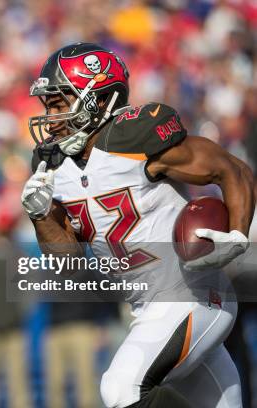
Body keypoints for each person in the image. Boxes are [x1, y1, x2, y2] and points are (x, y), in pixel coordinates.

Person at [20, 43, 254, 407]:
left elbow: (232, 169)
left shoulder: (133, 140)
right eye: (48, 105)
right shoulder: (52, 165)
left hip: (191, 296)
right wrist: (40, 216)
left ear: (99, 100)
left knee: (120, 389)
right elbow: (68, 264)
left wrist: (237, 234)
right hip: (147, 309)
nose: (50, 117)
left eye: (59, 103)